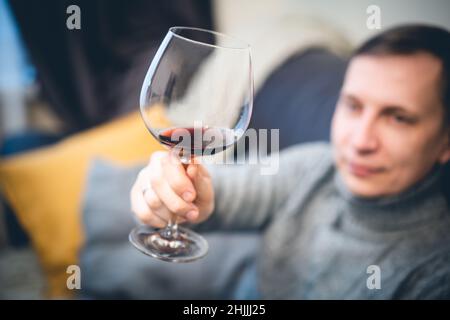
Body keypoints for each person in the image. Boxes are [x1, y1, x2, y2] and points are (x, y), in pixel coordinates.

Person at [130, 24, 450, 299]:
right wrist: (169, 193)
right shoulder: (316, 168)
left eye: (398, 118)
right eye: (353, 105)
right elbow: (219, 191)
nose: (361, 141)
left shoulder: (437, 273)